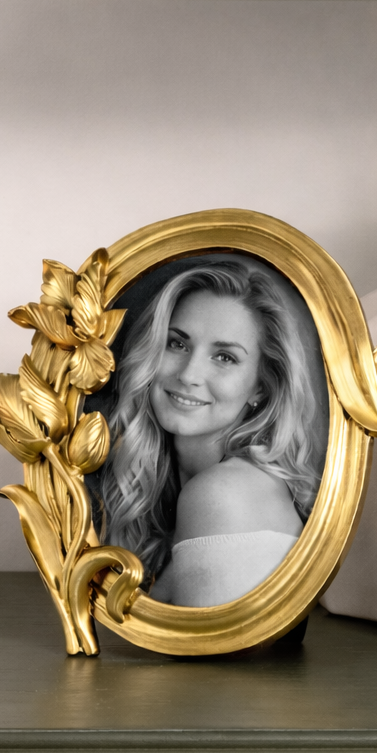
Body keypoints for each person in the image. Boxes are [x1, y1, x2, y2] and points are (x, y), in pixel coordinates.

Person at [96, 259, 322, 607]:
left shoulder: (221, 493)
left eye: (225, 357)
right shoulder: (193, 484)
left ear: (261, 387)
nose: (189, 374)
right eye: (177, 344)